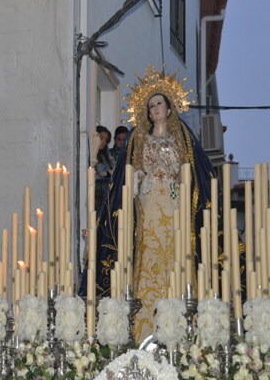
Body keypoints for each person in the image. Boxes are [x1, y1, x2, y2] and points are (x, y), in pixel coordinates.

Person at [81, 66, 217, 342]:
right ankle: (143, 328)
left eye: (159, 104)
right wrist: (140, 180)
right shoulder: (138, 142)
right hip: (148, 207)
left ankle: (182, 324)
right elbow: (127, 177)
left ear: (169, 109)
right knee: (147, 257)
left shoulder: (183, 141)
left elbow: (194, 176)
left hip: (175, 208)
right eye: (150, 105)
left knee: (177, 260)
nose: (154, 109)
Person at [91, 125, 113, 212]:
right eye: (101, 138)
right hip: (95, 188)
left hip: (103, 190)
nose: (103, 141)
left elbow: (110, 169)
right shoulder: (92, 155)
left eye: (106, 140)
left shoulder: (105, 156)